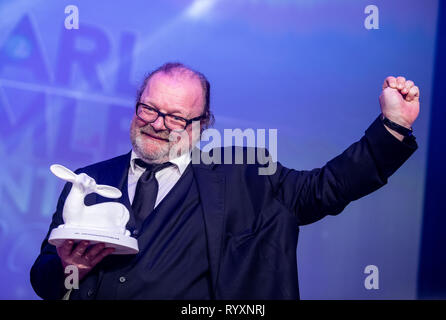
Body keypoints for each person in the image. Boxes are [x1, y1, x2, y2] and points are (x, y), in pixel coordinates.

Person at [30, 62, 419, 300]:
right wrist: (70, 271)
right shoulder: (87, 180)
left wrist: (393, 127)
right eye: (149, 108)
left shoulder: (248, 177)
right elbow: (45, 280)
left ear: (202, 127)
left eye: (176, 117)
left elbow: (325, 188)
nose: (158, 124)